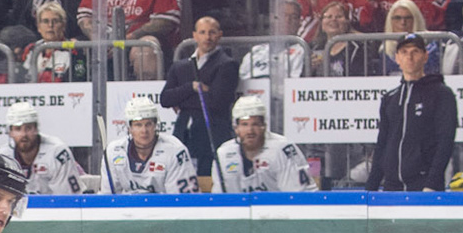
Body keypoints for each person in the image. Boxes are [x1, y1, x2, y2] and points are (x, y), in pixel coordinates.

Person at [367, 32, 454, 191]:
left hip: (423, 185)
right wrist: (371, 188)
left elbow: (445, 141)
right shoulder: (390, 98)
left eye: (415, 51)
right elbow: (382, 144)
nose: (410, 57)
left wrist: (432, 183)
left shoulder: (441, 94)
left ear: (425, 56)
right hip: (392, 186)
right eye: (405, 52)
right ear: (397, 58)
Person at [160, 15, 239, 175]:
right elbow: (165, 99)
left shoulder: (227, 64)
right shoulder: (181, 66)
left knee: (207, 176)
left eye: (212, 32)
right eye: (202, 32)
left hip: (212, 131)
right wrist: (192, 88)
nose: (207, 37)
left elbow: (217, 101)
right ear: (195, 35)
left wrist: (182, 101)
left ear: (219, 35)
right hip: (183, 130)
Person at [212, 93, 314, 192]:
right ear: (236, 128)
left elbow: (299, 195)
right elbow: (218, 200)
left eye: (255, 124)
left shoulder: (283, 149)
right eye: (244, 124)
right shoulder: (223, 154)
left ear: (264, 126)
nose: (250, 131)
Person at [103, 93, 197, 192]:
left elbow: (182, 202)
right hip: (128, 207)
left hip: (164, 207)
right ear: (129, 128)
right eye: (138, 125)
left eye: (148, 124)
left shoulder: (175, 151)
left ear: (156, 125)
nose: (144, 131)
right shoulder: (113, 152)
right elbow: (107, 198)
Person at [0, 99, 84, 194]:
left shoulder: (57, 152)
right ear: (10, 132)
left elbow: (69, 198)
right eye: (18, 129)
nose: (24, 134)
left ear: (36, 129)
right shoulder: (2, 157)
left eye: (28, 128)